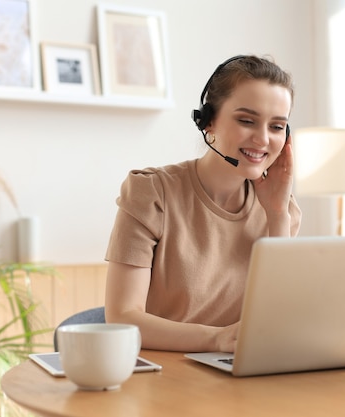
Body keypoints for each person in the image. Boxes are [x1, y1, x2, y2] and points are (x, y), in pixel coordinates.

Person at [104, 55, 301, 353]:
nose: (262, 139)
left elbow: (281, 321)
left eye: (276, 127)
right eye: (247, 121)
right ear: (208, 120)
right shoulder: (151, 192)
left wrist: (276, 215)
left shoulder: (282, 210)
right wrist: (216, 339)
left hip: (240, 376)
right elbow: (122, 318)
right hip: (164, 376)